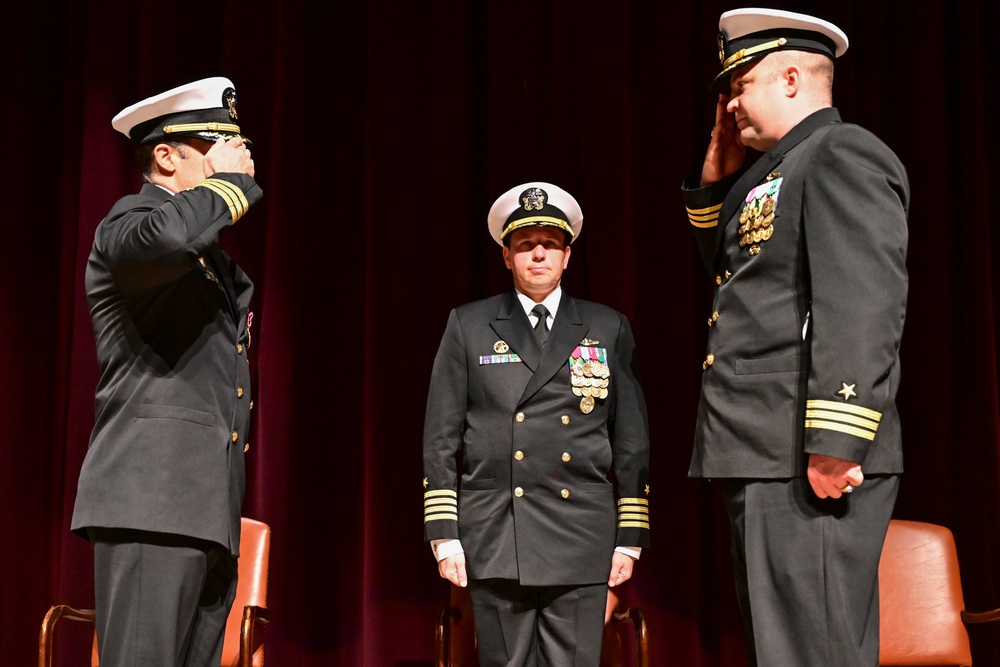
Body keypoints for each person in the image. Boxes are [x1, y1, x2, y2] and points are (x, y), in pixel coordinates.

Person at [681, 8, 909, 666]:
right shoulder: (779, 170)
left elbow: (863, 300)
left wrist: (837, 439)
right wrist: (719, 177)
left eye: (739, 86)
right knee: (783, 653)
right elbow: (739, 270)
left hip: (807, 456)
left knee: (817, 653)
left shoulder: (842, 152)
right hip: (762, 449)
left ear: (788, 77)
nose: (730, 106)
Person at [71, 77, 262, 666]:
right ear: (166, 154)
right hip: (151, 502)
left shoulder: (208, 260)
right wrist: (231, 186)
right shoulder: (131, 225)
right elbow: (168, 235)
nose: (240, 155)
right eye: (220, 145)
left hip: (206, 512)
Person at [422, 182, 651, 666]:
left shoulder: (606, 327)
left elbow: (630, 441)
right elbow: (440, 438)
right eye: (526, 245)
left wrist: (630, 534)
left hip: (580, 533)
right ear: (507, 256)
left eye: (550, 244)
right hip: (498, 532)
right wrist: (444, 533)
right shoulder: (469, 324)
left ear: (567, 256)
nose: (539, 255)